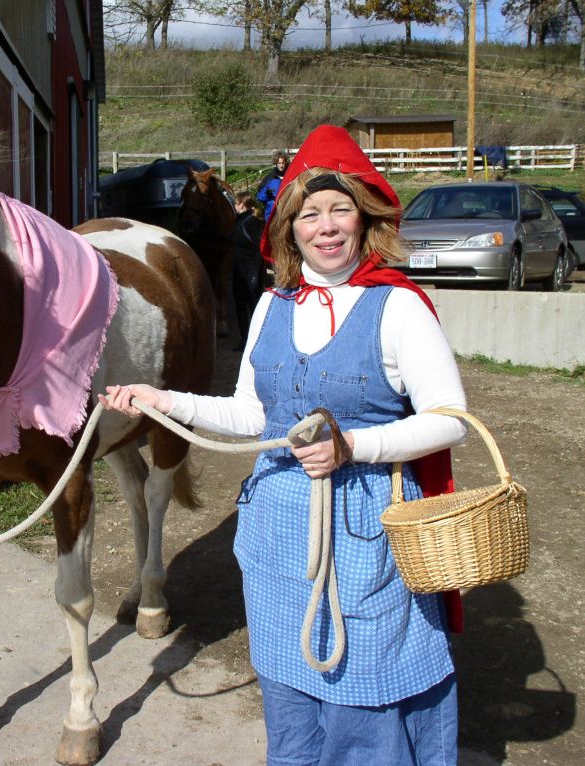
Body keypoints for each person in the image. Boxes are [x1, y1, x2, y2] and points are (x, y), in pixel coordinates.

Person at [100, 124, 468, 765]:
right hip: (274, 531)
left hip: (364, 529)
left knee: (364, 685)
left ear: (364, 218)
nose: (325, 226)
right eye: (309, 213)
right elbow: (251, 416)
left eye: (339, 209)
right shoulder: (272, 304)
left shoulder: (398, 307)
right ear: (289, 229)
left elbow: (450, 419)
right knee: (288, 686)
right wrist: (162, 400)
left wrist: (353, 446)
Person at [230, 191, 266, 351]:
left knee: (254, 305)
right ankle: (245, 338)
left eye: (236, 203)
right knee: (239, 305)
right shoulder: (238, 221)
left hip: (252, 269)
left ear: (242, 204)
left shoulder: (253, 222)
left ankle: (259, 339)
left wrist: (255, 275)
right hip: (238, 269)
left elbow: (260, 249)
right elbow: (229, 239)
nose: (234, 206)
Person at [256, 150, 289, 221]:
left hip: (286, 211)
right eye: (279, 163)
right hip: (271, 213)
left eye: (283, 163)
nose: (281, 165)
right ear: (276, 163)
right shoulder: (270, 177)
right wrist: (267, 194)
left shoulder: (290, 175)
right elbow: (259, 196)